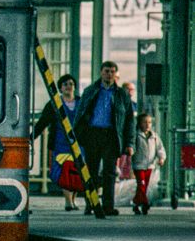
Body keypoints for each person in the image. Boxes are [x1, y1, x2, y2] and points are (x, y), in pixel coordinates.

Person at [75, 61, 135, 216]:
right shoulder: (91, 91)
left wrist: (129, 143)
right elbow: (80, 114)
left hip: (111, 135)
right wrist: (77, 135)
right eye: (107, 71)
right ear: (101, 72)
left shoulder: (122, 94)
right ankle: (91, 203)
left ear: (116, 74)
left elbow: (129, 120)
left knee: (109, 172)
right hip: (92, 134)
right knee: (91, 171)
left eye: (112, 71)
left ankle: (108, 205)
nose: (109, 74)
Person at [32, 74, 81, 210]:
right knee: (65, 170)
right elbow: (43, 122)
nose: (68, 87)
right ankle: (68, 201)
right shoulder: (54, 103)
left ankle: (73, 199)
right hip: (60, 142)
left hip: (78, 142)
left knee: (76, 171)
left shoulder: (81, 102)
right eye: (65, 84)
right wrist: (31, 137)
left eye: (71, 84)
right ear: (60, 88)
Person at [131, 113, 166, 215]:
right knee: (141, 185)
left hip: (149, 166)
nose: (147, 124)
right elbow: (132, 147)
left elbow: (160, 148)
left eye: (149, 122)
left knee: (143, 187)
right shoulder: (136, 136)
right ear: (140, 123)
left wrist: (161, 158)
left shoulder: (154, 137)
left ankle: (136, 204)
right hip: (139, 165)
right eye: (145, 122)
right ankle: (145, 203)